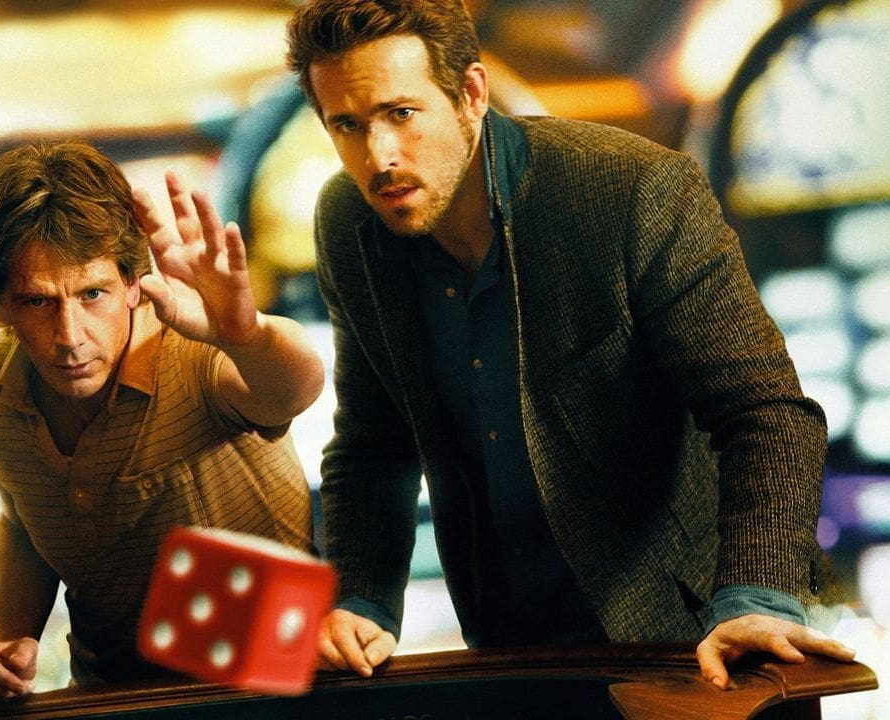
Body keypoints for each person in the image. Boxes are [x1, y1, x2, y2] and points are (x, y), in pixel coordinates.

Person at [284, 0, 856, 690]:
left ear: (471, 94)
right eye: (347, 125)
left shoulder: (632, 189)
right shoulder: (346, 220)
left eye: (401, 113)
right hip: (509, 650)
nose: (379, 156)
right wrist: (360, 600)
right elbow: (373, 442)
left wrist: (757, 596)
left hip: (700, 634)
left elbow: (766, 412)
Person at [0, 140, 324, 699]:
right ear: (0, 304)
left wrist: (246, 335)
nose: (70, 336)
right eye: (38, 302)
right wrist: (9, 646)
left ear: (132, 283)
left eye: (93, 293)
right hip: (110, 695)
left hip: (271, 687)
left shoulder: (193, 347)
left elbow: (295, 390)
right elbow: (23, 524)